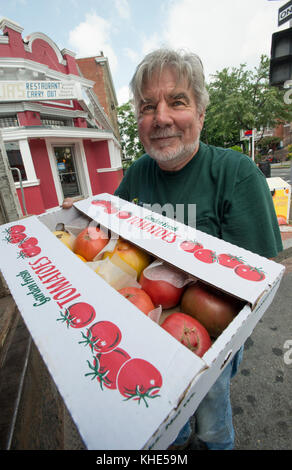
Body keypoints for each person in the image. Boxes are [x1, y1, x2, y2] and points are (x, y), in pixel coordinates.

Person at [63, 48, 283, 450]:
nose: (160, 117)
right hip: (144, 328)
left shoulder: (236, 174)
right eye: (148, 106)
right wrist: (83, 214)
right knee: (167, 428)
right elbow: (109, 232)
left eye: (177, 101)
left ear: (200, 113)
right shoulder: (138, 173)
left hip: (208, 339)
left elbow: (260, 276)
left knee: (212, 423)